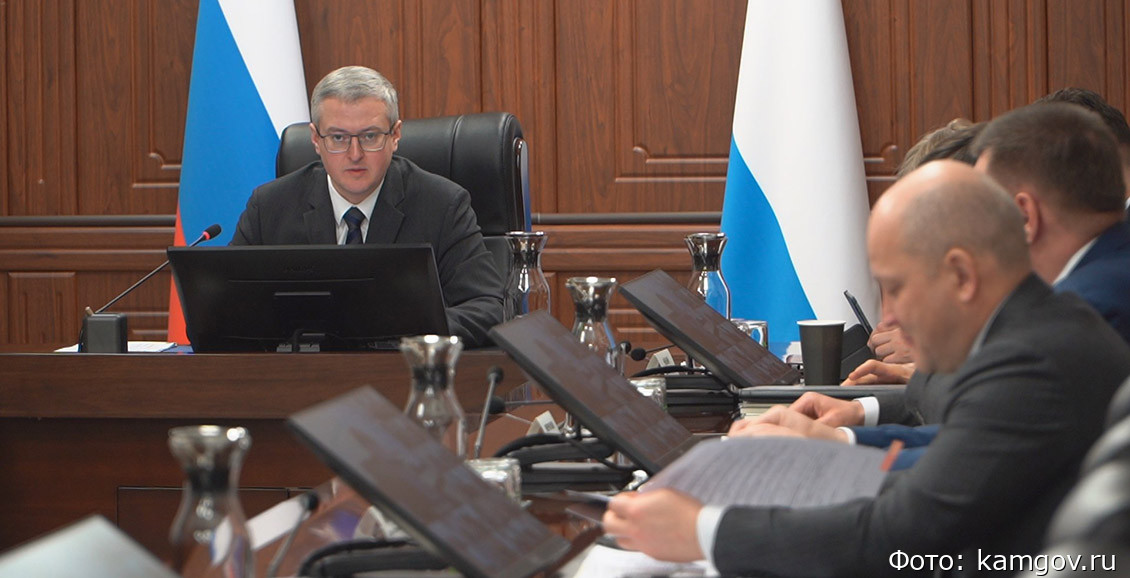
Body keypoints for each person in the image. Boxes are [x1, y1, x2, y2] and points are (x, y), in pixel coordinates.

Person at [602, 161, 1130, 577]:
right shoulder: (1039, 330)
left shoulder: (1031, 360)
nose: (889, 318)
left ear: (961, 275)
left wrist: (703, 531)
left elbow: (900, 537)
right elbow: (954, 453)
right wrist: (838, 444)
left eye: (896, 288)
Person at [230, 66, 503, 347]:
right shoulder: (269, 207)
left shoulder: (442, 205)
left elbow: (487, 309)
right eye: (338, 138)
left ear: (395, 135)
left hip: (401, 370)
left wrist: (404, 332)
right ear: (315, 140)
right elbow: (226, 309)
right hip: (302, 372)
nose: (355, 154)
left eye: (370, 136)